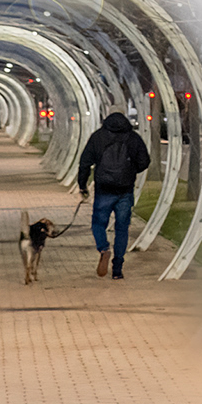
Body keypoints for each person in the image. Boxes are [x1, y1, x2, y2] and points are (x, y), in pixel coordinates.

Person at [76, 111, 151, 280]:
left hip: (104, 189)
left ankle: (103, 249)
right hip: (125, 190)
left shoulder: (98, 137)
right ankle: (117, 268)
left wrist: (83, 185)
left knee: (98, 223)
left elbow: (85, 162)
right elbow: (144, 161)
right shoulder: (133, 138)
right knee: (122, 229)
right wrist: (131, 171)